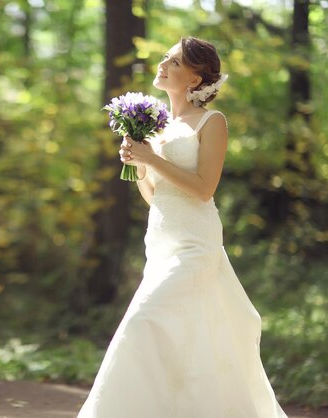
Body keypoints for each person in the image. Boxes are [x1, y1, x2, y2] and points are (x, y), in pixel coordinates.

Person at [77, 37, 288, 417]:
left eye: (174, 62)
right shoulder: (159, 126)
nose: (163, 65)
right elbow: (155, 194)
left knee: (144, 321)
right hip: (160, 242)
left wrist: (151, 160)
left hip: (196, 242)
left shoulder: (212, 121)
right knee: (185, 339)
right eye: (166, 58)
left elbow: (204, 189)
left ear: (194, 79)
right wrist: (139, 161)